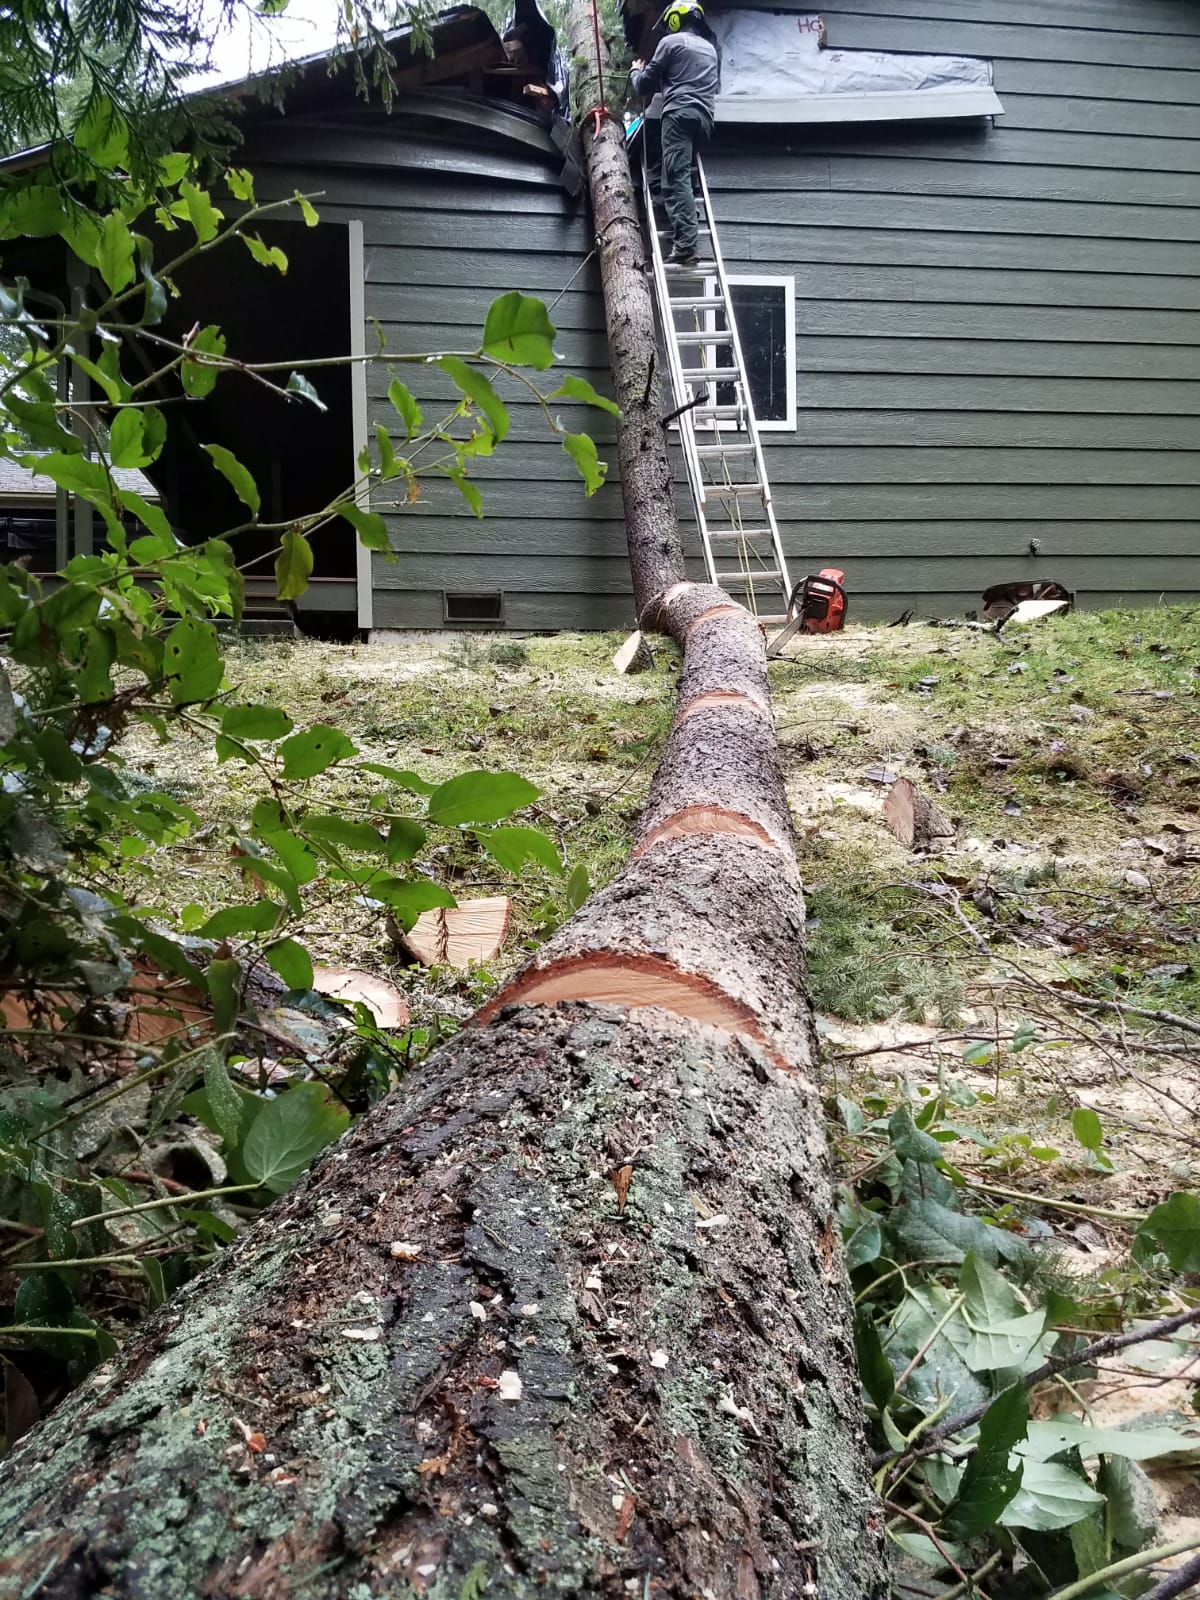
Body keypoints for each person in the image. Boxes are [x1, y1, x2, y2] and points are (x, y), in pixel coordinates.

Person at [631, 0, 720, 267]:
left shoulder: (670, 43)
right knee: (673, 175)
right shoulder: (710, 49)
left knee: (675, 178)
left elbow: (644, 85)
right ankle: (687, 214)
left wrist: (635, 71)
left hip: (679, 116)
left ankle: (685, 247)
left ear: (674, 20)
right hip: (704, 121)